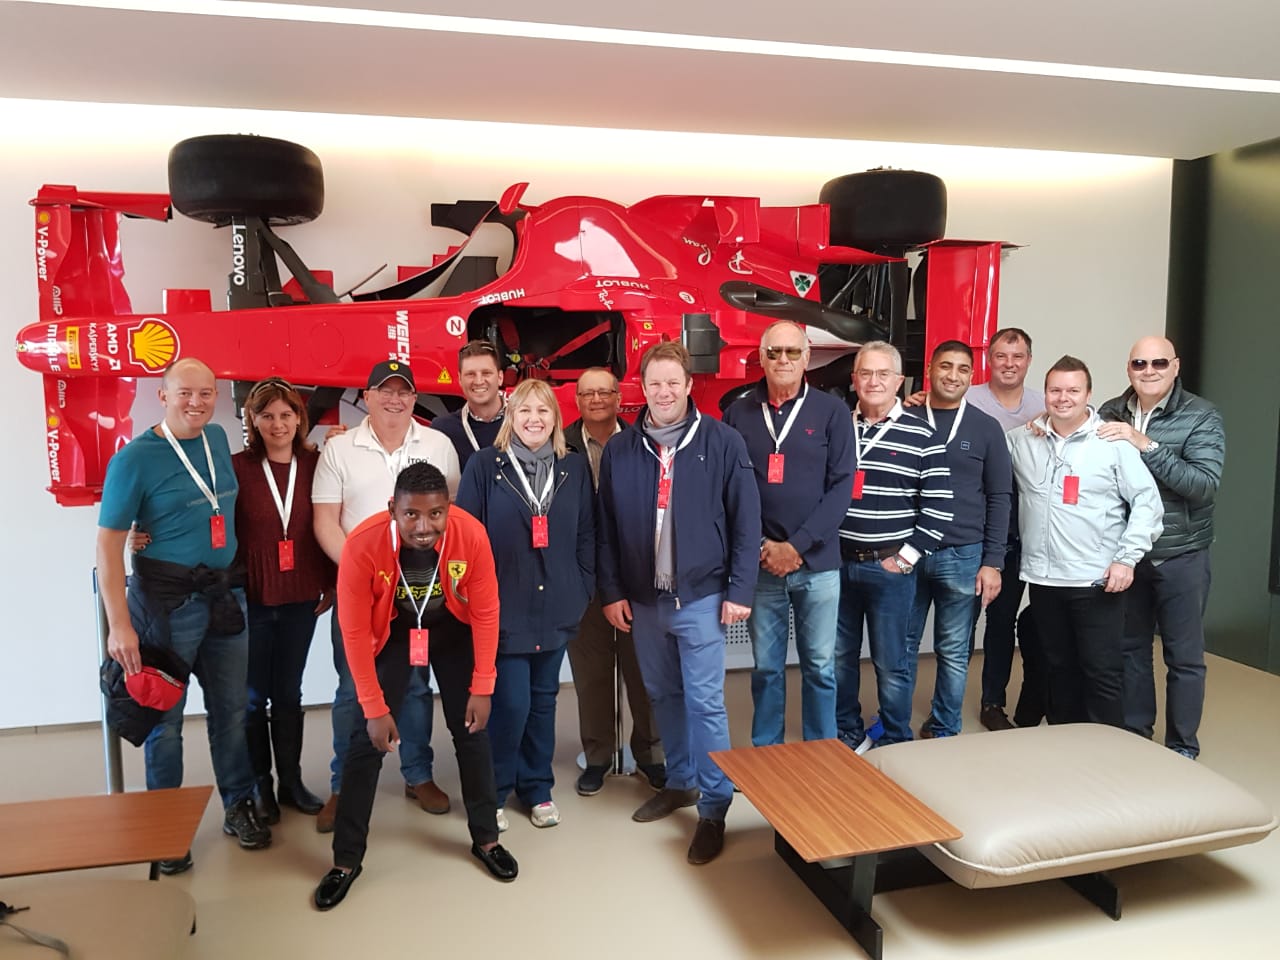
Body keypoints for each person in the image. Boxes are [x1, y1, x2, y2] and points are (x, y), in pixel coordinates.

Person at [313, 463, 517, 911]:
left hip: (451, 629)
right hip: (394, 631)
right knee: (364, 741)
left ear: (449, 509)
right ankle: (345, 861)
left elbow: (486, 611)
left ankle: (487, 839)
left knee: (472, 731)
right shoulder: (362, 544)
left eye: (436, 514)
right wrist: (373, 706)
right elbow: (353, 632)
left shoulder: (471, 534)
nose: (424, 527)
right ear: (393, 509)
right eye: (411, 515)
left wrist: (483, 684)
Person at [96, 358, 270, 875]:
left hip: (224, 597)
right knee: (164, 722)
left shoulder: (216, 438)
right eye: (185, 393)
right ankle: (166, 827)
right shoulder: (134, 459)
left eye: (206, 393)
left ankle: (237, 804)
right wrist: (120, 625)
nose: (196, 402)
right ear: (163, 396)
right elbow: (106, 548)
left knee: (231, 712)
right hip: (166, 606)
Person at [597, 341, 760, 865]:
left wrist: (739, 590)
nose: (663, 392)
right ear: (641, 389)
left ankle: (714, 806)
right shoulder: (621, 450)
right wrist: (612, 591)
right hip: (644, 601)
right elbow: (605, 529)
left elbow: (746, 520)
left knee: (706, 703)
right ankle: (681, 781)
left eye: (673, 382)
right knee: (663, 695)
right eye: (654, 384)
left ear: (690, 385)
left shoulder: (723, 441)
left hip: (702, 597)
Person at [312, 360, 460, 831]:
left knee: (415, 684)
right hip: (359, 591)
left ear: (414, 399)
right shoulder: (339, 448)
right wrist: (362, 574)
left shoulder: (437, 445)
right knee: (351, 688)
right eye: (385, 390)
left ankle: (418, 775)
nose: (395, 399)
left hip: (418, 590)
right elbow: (325, 521)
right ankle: (342, 786)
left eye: (404, 392)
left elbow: (449, 517)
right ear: (367, 396)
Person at [456, 379, 594, 829]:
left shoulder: (573, 467)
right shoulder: (484, 465)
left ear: (556, 418)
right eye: (525, 411)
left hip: (557, 605)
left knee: (543, 702)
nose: (534, 419)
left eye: (543, 411)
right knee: (510, 703)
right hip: (503, 608)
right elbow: (466, 537)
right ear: (510, 417)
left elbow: (587, 534)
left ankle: (537, 787)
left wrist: (582, 589)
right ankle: (494, 791)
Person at [1008, 356, 1163, 727]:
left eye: (1073, 391)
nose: (1063, 398)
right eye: (1055, 390)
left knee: (1101, 672)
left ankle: (1105, 751)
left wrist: (1126, 559)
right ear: (1045, 394)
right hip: (1044, 579)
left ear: (1088, 394)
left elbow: (1148, 503)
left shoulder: (1112, 441)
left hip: (1096, 580)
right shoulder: (1021, 441)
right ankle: (1067, 745)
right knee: (1059, 669)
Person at [723, 322, 855, 745]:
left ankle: (821, 750)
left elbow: (842, 487)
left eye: (792, 352)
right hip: (761, 565)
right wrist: (764, 546)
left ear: (807, 357)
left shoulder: (832, 411)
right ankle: (767, 752)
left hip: (817, 564)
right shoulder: (738, 413)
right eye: (774, 352)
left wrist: (796, 546)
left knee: (820, 665)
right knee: (766, 668)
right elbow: (729, 490)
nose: (783, 359)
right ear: (761, 358)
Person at [1098, 337, 1225, 759]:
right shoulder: (1111, 411)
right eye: (1139, 363)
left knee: (1183, 657)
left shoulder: (1201, 415)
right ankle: (1136, 735)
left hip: (1180, 554)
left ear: (1175, 366)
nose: (1148, 370)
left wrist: (1145, 443)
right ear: (1128, 367)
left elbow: (1202, 486)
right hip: (1129, 556)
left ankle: (1182, 747)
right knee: (1130, 649)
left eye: (1158, 362)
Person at [834, 341, 952, 748]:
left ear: (899, 380)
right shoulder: (837, 428)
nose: (874, 381)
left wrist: (906, 559)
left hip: (890, 568)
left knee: (892, 663)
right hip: (838, 565)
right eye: (865, 373)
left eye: (883, 374)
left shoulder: (922, 434)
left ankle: (896, 739)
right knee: (839, 658)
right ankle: (847, 732)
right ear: (854, 380)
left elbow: (939, 507)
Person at [232, 378, 333, 823]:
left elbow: (333, 520)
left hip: (301, 596)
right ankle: (260, 787)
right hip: (252, 596)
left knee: (289, 693)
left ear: (299, 419)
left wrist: (331, 581)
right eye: (267, 415)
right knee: (254, 698)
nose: (278, 424)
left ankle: (290, 782)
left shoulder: (317, 464)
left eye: (286, 415)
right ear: (253, 421)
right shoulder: (236, 468)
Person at [563, 367, 665, 796]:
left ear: (619, 398)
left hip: (636, 575)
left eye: (605, 392)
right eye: (588, 393)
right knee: (591, 674)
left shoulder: (643, 441)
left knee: (645, 671)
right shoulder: (560, 444)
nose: (597, 399)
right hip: (581, 577)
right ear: (577, 400)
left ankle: (651, 753)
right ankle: (598, 755)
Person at [901, 343, 1011, 739]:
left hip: (963, 555)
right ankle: (895, 722)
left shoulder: (986, 428)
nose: (953, 375)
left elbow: (1000, 496)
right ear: (930, 368)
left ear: (972, 375)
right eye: (945, 366)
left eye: (963, 369)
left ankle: (945, 725)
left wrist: (992, 562)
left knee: (953, 649)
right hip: (908, 553)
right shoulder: (905, 417)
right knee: (901, 644)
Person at [965, 328, 1047, 730]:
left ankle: (996, 703)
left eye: (1017, 356)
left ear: (1029, 360)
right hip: (972, 531)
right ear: (989, 359)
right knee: (961, 624)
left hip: (1021, 533)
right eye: (1001, 355)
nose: (1009, 364)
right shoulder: (967, 398)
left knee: (1003, 622)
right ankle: (952, 702)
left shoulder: (1045, 404)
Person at [431, 341, 507, 468]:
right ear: (460, 379)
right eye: (470, 374)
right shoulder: (443, 430)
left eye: (486, 373)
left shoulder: (523, 424)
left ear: (500, 378)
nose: (478, 381)